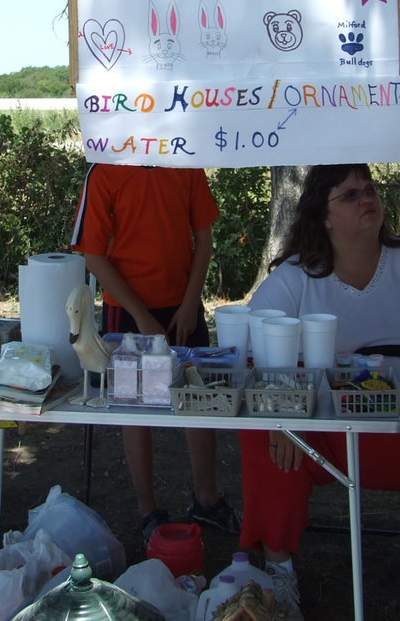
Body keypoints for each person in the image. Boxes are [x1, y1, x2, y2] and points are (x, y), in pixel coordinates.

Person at [238, 163, 400, 617]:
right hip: (331, 433)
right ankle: (280, 573)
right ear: (322, 217)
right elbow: (249, 343)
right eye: (350, 195)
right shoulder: (295, 278)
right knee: (261, 426)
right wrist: (279, 414)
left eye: (370, 189)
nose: (368, 199)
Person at [71, 163, 239, 542]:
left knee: (199, 401)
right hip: (127, 312)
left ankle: (207, 500)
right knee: (133, 408)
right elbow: (93, 255)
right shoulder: (104, 170)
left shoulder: (183, 159)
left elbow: (204, 237)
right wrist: (141, 316)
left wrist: (191, 300)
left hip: (182, 307)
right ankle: (148, 510)